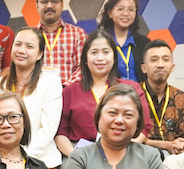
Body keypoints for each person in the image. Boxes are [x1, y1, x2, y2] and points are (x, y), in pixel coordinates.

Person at [54, 28, 150, 159]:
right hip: (81, 153)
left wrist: (122, 150)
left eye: (106, 52)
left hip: (124, 150)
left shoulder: (131, 88)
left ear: (114, 57)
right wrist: (76, 156)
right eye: (94, 52)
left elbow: (145, 126)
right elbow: (61, 133)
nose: (100, 58)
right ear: (85, 59)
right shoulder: (69, 92)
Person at [0, 27, 63, 169]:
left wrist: (22, 158)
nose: (21, 50)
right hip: (2, 161)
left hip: (41, 161)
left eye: (29, 46)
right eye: (18, 44)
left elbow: (48, 129)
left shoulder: (50, 83)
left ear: (40, 54)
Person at [139, 40, 184, 155]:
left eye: (166, 59)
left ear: (172, 67)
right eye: (154, 60)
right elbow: (129, 138)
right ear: (144, 68)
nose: (160, 64)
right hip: (140, 157)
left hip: (174, 159)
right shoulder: (133, 95)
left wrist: (179, 145)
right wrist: (165, 145)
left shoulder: (182, 98)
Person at [34, 0, 86, 87]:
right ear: (37, 6)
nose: (49, 6)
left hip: (70, 95)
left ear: (62, 5)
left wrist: (65, 88)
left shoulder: (77, 34)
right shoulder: (29, 36)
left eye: (54, 1)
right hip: (37, 96)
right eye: (44, 2)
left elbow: (84, 67)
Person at [98, 0, 150, 82]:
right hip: (110, 94)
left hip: (140, 94)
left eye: (130, 9)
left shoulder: (145, 43)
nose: (126, 14)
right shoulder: (100, 42)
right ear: (110, 13)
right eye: (120, 9)